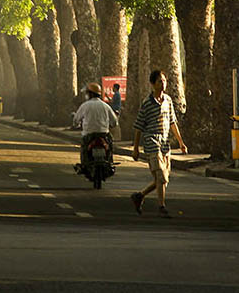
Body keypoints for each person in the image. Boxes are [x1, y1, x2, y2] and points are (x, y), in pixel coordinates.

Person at [130, 70, 188, 218]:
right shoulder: (147, 103)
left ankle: (140, 195)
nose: (162, 84)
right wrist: (135, 148)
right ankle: (161, 206)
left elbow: (173, 122)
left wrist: (181, 142)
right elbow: (138, 127)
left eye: (164, 81)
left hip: (165, 144)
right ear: (152, 84)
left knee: (162, 180)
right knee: (161, 176)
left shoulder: (168, 101)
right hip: (152, 142)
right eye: (159, 81)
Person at [72, 83, 118, 171]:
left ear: (90, 94)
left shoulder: (85, 106)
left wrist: (75, 124)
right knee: (110, 145)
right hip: (104, 134)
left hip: (89, 135)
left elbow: (76, 120)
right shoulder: (106, 106)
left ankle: (84, 164)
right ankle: (110, 163)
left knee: (84, 147)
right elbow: (114, 122)